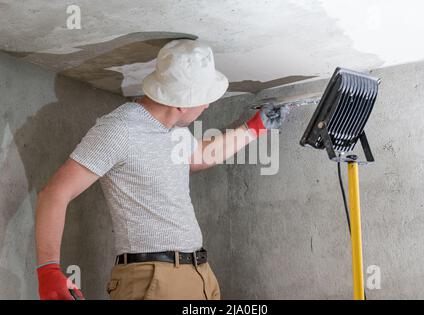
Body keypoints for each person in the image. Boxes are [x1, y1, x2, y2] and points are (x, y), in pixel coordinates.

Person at [35, 39, 289, 300]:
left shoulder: (174, 131)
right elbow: (54, 194)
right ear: (180, 104)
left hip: (199, 274)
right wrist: (48, 270)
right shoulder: (120, 129)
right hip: (154, 280)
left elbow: (199, 157)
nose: (207, 106)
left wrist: (255, 128)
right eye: (203, 100)